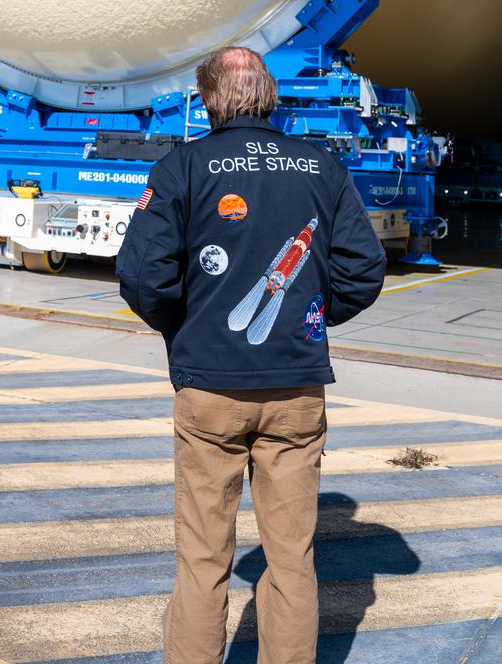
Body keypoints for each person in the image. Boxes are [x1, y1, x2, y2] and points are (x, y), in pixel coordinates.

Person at [116, 46, 386, 664]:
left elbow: (141, 275)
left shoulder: (183, 166)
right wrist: (308, 319)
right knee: (292, 560)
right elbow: (362, 269)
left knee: (204, 557)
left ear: (209, 99)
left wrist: (184, 331)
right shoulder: (323, 167)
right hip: (295, 388)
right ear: (269, 94)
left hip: (209, 387)